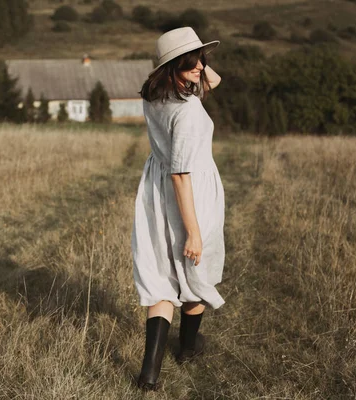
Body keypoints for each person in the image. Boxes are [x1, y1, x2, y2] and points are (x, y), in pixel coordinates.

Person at [131, 27, 225, 391]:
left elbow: (213, 81)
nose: (200, 70)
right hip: (187, 190)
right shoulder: (185, 111)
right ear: (173, 67)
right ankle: (187, 349)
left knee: (160, 276)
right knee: (195, 268)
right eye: (191, 65)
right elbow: (182, 176)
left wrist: (196, 56)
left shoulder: (156, 92)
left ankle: (149, 375)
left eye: (199, 62)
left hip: (156, 187)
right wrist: (194, 231)